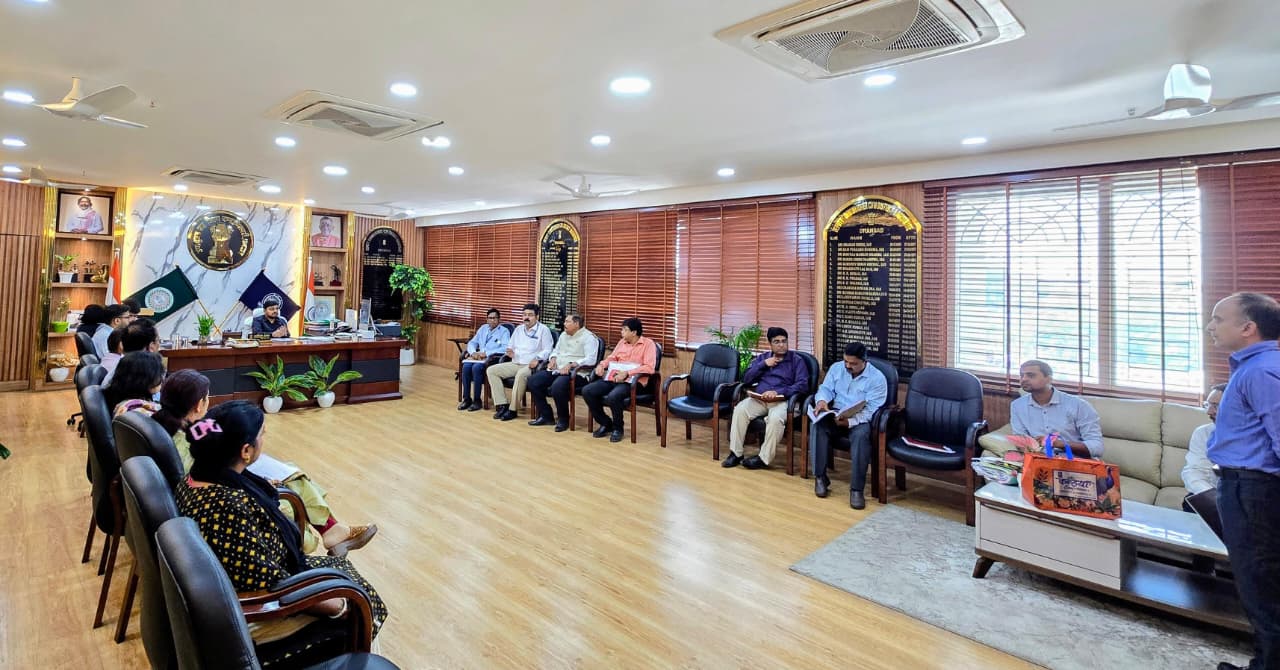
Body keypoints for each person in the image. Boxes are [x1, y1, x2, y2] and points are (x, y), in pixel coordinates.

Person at [174, 401, 387, 645]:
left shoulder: (197, 478)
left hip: (253, 584)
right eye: (262, 434)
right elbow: (270, 584)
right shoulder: (227, 507)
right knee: (363, 604)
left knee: (347, 578)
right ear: (245, 450)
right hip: (256, 610)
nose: (264, 440)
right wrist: (339, 607)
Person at [129, 369, 376, 556]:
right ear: (198, 405)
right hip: (220, 500)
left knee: (290, 474)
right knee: (292, 482)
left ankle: (331, 529)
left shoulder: (168, 426)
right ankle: (329, 531)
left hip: (208, 490)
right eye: (207, 398)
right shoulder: (187, 441)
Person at [1203, 292, 1280, 670]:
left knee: (1262, 585)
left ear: (1248, 327)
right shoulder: (1251, 368)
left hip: (1255, 489)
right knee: (1256, 584)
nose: (1210, 326)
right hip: (1244, 486)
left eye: (1218, 319)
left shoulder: (1263, 371)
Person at [809, 342, 888, 509]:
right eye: (846, 361)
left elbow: (872, 410)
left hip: (859, 419)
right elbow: (826, 388)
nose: (847, 366)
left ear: (864, 361)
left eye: (853, 363)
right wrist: (822, 401)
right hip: (836, 413)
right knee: (818, 425)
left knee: (861, 436)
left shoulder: (877, 378)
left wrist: (850, 421)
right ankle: (820, 477)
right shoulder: (837, 368)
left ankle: (857, 489)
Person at [723, 327, 809, 470]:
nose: (781, 345)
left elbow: (802, 385)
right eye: (777, 342)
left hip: (784, 401)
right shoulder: (763, 358)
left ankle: (763, 459)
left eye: (784, 341)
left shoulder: (797, 361)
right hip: (761, 400)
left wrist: (778, 392)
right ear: (770, 344)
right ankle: (736, 454)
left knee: (775, 419)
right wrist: (763, 365)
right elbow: (746, 379)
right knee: (740, 410)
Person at [581, 317, 658, 443]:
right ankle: (606, 423)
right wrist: (602, 365)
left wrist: (627, 373)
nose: (621, 332)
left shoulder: (648, 344)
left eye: (624, 330)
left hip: (634, 381)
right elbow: (612, 357)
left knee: (614, 396)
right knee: (587, 390)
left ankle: (618, 428)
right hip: (615, 377)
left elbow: (649, 368)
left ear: (634, 332)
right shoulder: (622, 342)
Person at [1009, 360, 1104, 458]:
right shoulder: (1017, 406)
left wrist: (1058, 443)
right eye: (1022, 375)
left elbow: (1097, 447)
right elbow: (1020, 440)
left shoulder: (1078, 405)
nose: (1024, 379)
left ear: (1049, 379)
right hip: (1038, 461)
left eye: (1031, 375)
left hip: (1075, 462)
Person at [526, 314, 597, 431]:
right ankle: (546, 415)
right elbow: (556, 350)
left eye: (567, 322)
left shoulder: (589, 338)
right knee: (533, 381)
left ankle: (563, 419)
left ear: (576, 324)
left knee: (557, 386)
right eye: (565, 321)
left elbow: (591, 359)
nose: (564, 324)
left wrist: (572, 364)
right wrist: (553, 358)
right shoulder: (564, 335)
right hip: (558, 369)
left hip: (577, 374)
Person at [486, 303, 554, 421]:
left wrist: (538, 358)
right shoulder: (518, 329)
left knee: (521, 374)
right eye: (524, 315)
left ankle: (513, 409)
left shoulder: (544, 330)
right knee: (491, 370)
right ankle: (502, 404)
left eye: (530, 315)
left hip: (531, 365)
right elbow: (510, 346)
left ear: (537, 317)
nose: (526, 317)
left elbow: (548, 349)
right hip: (516, 362)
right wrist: (509, 352)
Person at [459, 308, 510, 412]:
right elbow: (472, 342)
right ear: (487, 319)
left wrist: (487, 353)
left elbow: (505, 348)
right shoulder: (483, 328)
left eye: (495, 318)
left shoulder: (504, 331)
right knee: (466, 367)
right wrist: (473, 352)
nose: (492, 320)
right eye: (490, 318)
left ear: (499, 319)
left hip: (493, 359)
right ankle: (467, 399)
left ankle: (477, 400)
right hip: (479, 358)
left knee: (476, 368)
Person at [1182, 383, 1225, 495]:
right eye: (1208, 405)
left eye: (1216, 406)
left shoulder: (1257, 437)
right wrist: (1211, 497)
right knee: (1190, 499)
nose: (1208, 412)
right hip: (1211, 493)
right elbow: (1194, 471)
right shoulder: (1203, 433)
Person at [102, 318, 159, 384]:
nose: (159, 344)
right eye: (158, 340)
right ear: (151, 346)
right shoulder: (141, 374)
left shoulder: (123, 366)